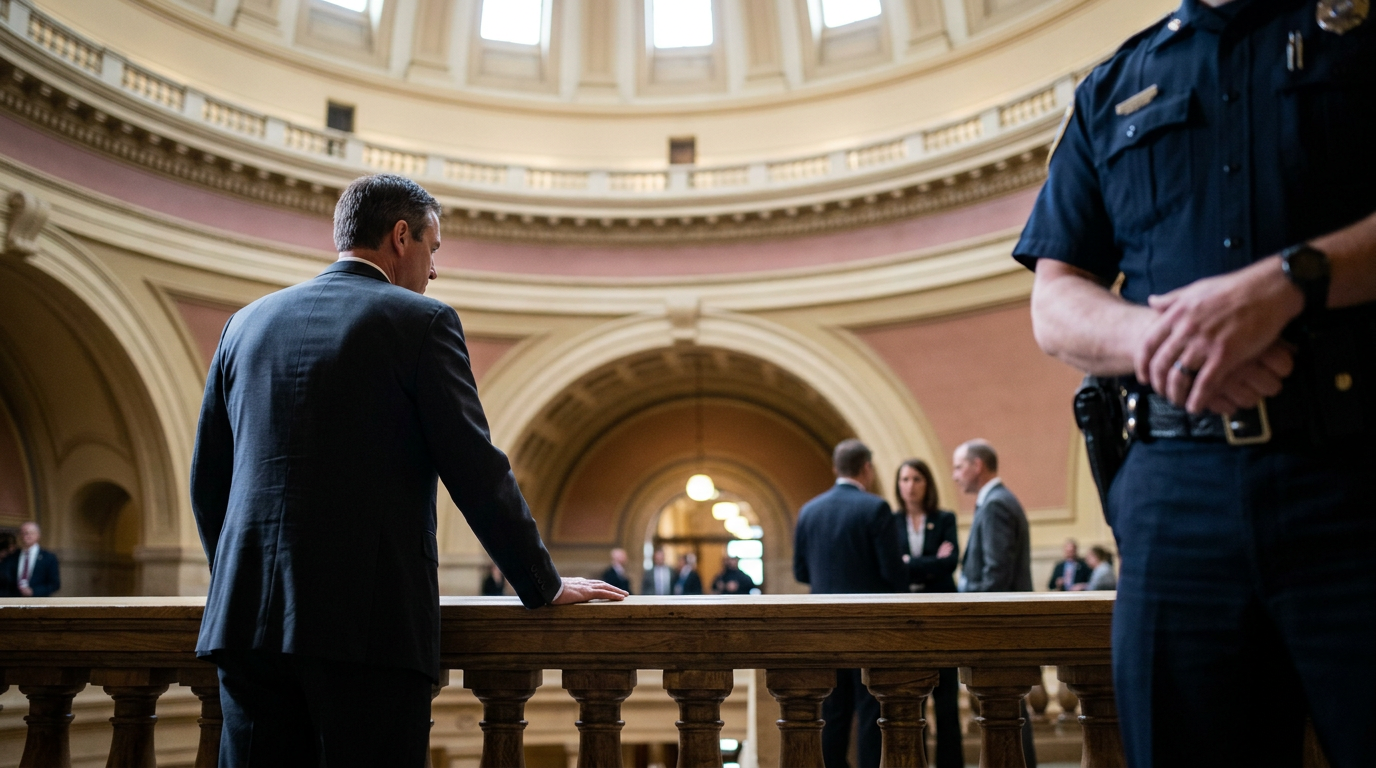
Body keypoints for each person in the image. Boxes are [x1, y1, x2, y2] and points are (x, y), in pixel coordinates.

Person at [1013, 0, 1376, 764]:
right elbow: (1055, 301)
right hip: (1175, 502)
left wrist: (1290, 282)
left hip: (1354, 469)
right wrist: (1162, 338)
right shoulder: (1113, 84)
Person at [190, 173, 627, 768]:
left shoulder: (245, 324)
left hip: (246, 626)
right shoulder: (420, 321)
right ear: (402, 237)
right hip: (369, 629)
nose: (434, 269)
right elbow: (475, 467)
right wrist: (542, 583)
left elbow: (209, 479)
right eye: (433, 248)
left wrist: (238, 577)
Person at [795, 439, 906, 768]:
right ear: (867, 468)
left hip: (824, 626)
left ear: (836, 468)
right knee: (871, 710)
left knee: (833, 713)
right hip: (870, 626)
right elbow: (894, 575)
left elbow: (801, 571)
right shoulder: (875, 508)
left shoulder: (809, 510)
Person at [953, 439, 1035, 767]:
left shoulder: (996, 504)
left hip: (999, 625)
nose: (955, 475)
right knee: (1009, 706)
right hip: (1002, 623)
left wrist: (980, 618)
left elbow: (996, 572)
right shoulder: (996, 501)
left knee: (1007, 706)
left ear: (977, 466)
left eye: (959, 466)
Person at [892, 459, 961, 768]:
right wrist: (930, 562)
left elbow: (950, 562)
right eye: (905, 479)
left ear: (927, 483)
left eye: (916, 478)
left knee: (947, 704)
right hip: (906, 619)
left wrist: (910, 563)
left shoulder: (944, 518)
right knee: (912, 700)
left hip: (942, 617)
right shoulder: (891, 522)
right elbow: (893, 569)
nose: (910, 485)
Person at [0, 522, 60, 597]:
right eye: (22, 533)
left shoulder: (48, 557)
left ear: (37, 535)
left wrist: (33, 591)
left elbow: (54, 584)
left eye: (29, 533)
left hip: (38, 601)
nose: (25, 536)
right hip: (14, 600)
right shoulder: (13, 555)